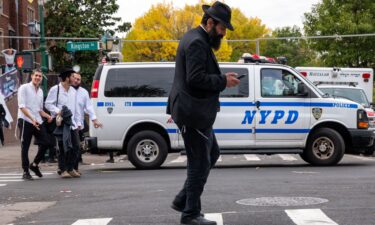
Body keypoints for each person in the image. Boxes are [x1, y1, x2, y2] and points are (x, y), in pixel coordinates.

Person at [166, 2, 239, 225]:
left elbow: (197, 74)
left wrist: (221, 77)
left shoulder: (196, 38)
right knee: (199, 163)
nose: (224, 33)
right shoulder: (197, 42)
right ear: (209, 23)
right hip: (192, 112)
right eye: (222, 28)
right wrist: (222, 81)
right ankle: (190, 215)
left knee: (212, 154)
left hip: (194, 111)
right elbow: (195, 78)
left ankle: (183, 200)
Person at [45, 67, 82, 178]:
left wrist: (78, 122)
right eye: (72, 76)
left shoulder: (73, 91)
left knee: (76, 146)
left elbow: (76, 108)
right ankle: (63, 169)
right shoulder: (55, 89)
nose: (74, 79)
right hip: (61, 123)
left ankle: (70, 168)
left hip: (72, 123)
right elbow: (48, 104)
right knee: (62, 147)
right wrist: (58, 111)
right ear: (67, 78)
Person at [17, 69, 53, 180]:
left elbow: (39, 110)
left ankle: (35, 164)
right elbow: (22, 107)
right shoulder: (24, 88)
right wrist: (32, 119)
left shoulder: (41, 91)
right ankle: (25, 171)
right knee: (25, 146)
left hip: (37, 120)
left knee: (46, 142)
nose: (38, 78)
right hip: (25, 120)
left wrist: (47, 116)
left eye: (40, 76)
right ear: (32, 76)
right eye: (36, 75)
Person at [72, 72, 102, 173]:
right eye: (75, 78)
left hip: (79, 124)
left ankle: (75, 168)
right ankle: (63, 167)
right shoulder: (66, 90)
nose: (76, 81)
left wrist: (94, 120)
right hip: (68, 124)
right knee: (67, 147)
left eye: (78, 79)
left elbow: (88, 107)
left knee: (78, 147)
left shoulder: (84, 92)